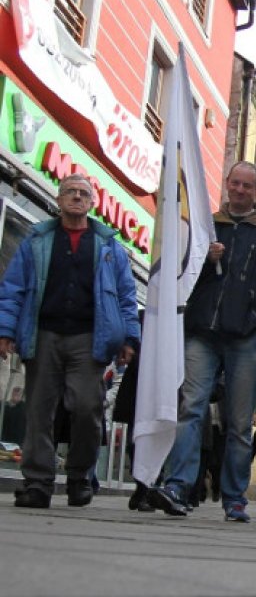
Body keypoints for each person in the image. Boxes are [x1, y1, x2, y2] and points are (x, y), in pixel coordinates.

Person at [148, 161, 256, 522]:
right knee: (190, 408)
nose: (241, 190)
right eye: (236, 183)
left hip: (246, 339)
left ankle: (234, 498)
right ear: (227, 185)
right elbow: (179, 274)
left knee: (240, 423)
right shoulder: (205, 226)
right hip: (203, 333)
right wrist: (202, 259)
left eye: (248, 185)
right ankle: (178, 485)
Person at [0, 173, 140, 509]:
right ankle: (37, 483)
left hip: (89, 339)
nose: (76, 198)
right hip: (43, 335)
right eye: (70, 193)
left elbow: (125, 296)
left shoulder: (109, 247)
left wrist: (129, 338)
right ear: (59, 200)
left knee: (87, 407)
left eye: (83, 194)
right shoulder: (36, 240)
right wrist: (5, 331)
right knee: (39, 412)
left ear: (92, 204)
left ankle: (79, 476)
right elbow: (13, 288)